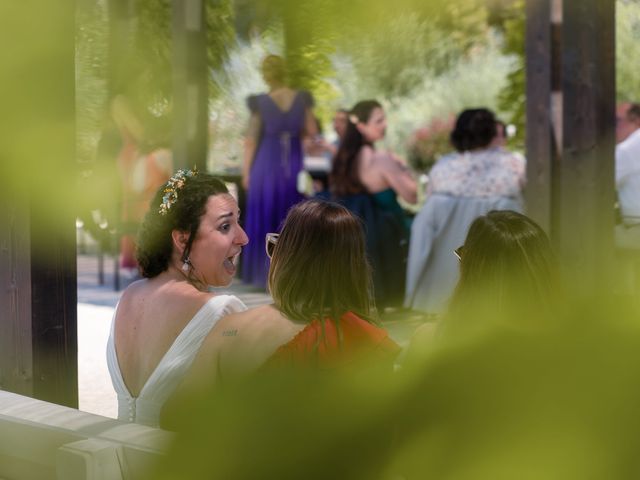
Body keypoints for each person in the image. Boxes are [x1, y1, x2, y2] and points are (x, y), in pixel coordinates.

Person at [182, 199, 400, 386]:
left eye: (274, 248)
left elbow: (178, 412)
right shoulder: (368, 340)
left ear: (286, 260)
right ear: (355, 268)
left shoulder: (228, 330)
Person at [106, 170, 249, 428]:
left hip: (118, 460)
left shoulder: (129, 296)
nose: (243, 238)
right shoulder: (222, 311)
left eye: (238, 222)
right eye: (225, 226)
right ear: (182, 239)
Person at [405, 108, 526, 314]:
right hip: (496, 275)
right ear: (492, 131)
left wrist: (412, 291)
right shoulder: (513, 165)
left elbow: (425, 224)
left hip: (442, 281)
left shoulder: (442, 169)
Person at [330, 99, 417, 308]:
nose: (385, 124)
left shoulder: (344, 160)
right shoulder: (380, 160)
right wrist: (402, 167)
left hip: (358, 237)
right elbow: (412, 195)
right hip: (389, 235)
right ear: (361, 126)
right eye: (379, 121)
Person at [241, 54, 317, 290]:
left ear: (265, 74)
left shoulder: (261, 103)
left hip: (267, 163)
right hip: (293, 162)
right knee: (292, 216)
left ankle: (265, 274)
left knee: (265, 214)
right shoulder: (301, 100)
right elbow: (311, 131)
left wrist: (246, 173)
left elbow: (250, 141)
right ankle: (295, 274)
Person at [615, 102, 640, 247]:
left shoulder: (628, 149)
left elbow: (597, 185)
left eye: (617, 121)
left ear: (637, 120)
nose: (614, 127)